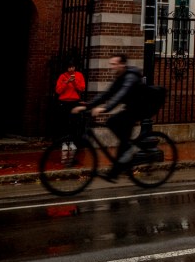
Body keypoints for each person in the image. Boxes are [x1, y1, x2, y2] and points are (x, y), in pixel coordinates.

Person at [72, 54, 148, 182]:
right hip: (130, 108)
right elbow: (107, 93)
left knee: (116, 127)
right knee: (117, 130)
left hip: (138, 109)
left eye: (114, 64)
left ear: (122, 65)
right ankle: (116, 170)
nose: (111, 67)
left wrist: (105, 109)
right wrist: (88, 106)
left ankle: (129, 149)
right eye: (111, 64)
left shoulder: (130, 77)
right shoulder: (120, 77)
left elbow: (120, 95)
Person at [53, 61, 85, 150]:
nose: (71, 69)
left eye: (73, 67)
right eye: (69, 67)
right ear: (67, 68)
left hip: (74, 102)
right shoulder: (62, 76)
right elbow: (58, 91)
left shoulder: (79, 75)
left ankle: (72, 142)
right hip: (64, 102)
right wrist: (66, 82)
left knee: (74, 123)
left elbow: (82, 88)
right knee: (64, 122)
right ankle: (64, 143)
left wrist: (74, 82)